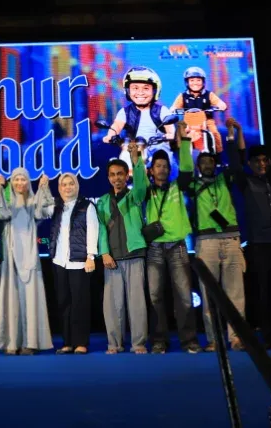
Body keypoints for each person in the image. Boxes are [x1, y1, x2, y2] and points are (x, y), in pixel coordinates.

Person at [226, 119, 271, 349]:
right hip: (260, 245)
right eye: (256, 161)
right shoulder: (246, 182)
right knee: (265, 292)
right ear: (251, 163)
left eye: (264, 160)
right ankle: (268, 336)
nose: (261, 164)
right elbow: (236, 163)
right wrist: (236, 132)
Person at [179, 132, 246, 351]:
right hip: (206, 242)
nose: (207, 164)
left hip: (231, 239)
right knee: (208, 296)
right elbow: (185, 171)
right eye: (203, 162)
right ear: (199, 166)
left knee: (235, 293)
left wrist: (230, 140)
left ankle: (236, 337)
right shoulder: (193, 185)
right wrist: (185, 140)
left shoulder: (224, 179)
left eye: (210, 161)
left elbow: (237, 166)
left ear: (215, 164)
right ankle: (214, 339)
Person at [145, 125, 201, 354]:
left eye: (165, 166)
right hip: (155, 248)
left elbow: (187, 168)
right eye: (157, 166)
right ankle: (159, 340)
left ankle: (189, 341)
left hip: (177, 246)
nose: (162, 169)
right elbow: (139, 180)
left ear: (169, 169)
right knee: (155, 297)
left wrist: (185, 141)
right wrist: (137, 158)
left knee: (184, 297)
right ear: (152, 170)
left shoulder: (178, 187)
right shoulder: (145, 191)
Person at [0, 167, 55, 355]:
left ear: (28, 182)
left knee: (31, 298)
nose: (20, 183)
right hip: (10, 258)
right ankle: (11, 342)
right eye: (16, 179)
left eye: (23, 179)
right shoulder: (7, 201)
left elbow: (44, 213)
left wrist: (44, 189)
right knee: (11, 297)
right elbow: (0, 213)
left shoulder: (34, 201)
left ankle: (31, 342)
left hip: (30, 257)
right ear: (12, 182)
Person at [97, 141, 150, 354]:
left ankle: (138, 343)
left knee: (137, 304)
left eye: (120, 174)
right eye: (112, 174)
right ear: (108, 178)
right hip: (113, 260)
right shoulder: (102, 202)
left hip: (134, 255)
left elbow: (141, 184)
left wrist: (136, 159)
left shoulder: (134, 197)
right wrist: (104, 253)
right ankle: (114, 344)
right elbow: (101, 229)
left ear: (126, 175)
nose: (116, 178)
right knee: (112, 306)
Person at [48, 173, 98, 355]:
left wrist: (91, 256)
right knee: (63, 304)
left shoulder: (87, 206)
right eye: (63, 184)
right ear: (59, 188)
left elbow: (93, 230)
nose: (67, 187)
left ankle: (81, 342)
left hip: (79, 263)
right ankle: (67, 342)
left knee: (80, 304)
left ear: (76, 186)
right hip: (59, 262)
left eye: (71, 184)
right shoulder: (56, 207)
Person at [102, 65, 177, 168]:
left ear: (154, 90)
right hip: (136, 148)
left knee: (165, 161)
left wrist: (170, 134)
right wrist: (110, 135)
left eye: (146, 88)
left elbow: (170, 127)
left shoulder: (162, 110)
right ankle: (129, 180)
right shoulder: (125, 112)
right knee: (124, 155)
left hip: (158, 148)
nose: (140, 92)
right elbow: (117, 126)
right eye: (135, 88)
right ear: (128, 91)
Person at [170, 67, 228, 153]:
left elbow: (222, 104)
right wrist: (173, 110)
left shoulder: (209, 94)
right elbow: (173, 107)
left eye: (198, 80)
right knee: (178, 134)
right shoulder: (183, 96)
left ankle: (218, 155)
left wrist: (220, 106)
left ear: (203, 82)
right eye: (192, 80)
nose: (195, 83)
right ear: (187, 82)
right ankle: (179, 155)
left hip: (207, 121)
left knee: (215, 133)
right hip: (188, 122)